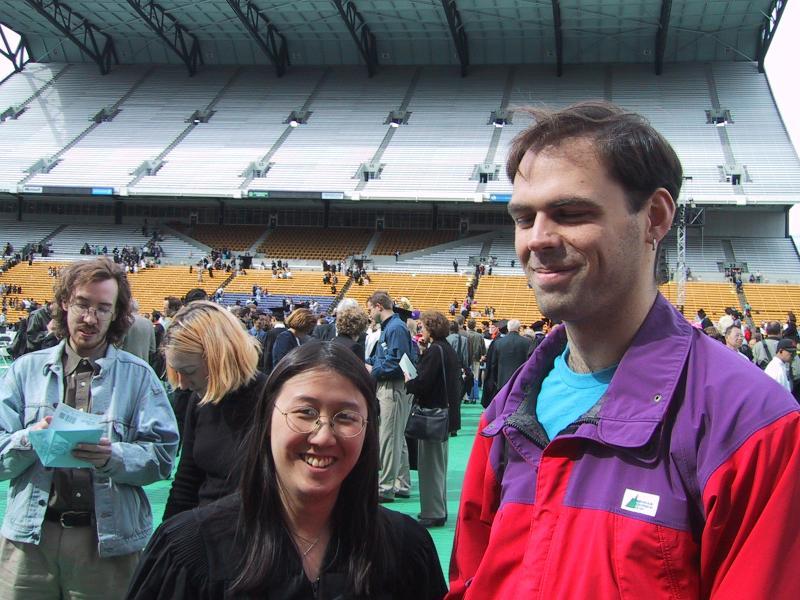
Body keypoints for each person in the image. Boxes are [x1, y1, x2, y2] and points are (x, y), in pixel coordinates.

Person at [447, 101, 800, 599]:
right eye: (524, 217)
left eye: (570, 213)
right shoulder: (504, 416)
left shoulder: (752, 425)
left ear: (654, 217)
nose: (537, 239)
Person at [127, 342, 447, 599]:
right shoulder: (188, 551)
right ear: (267, 419)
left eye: (346, 417)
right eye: (305, 412)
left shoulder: (405, 550)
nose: (323, 436)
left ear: (368, 430)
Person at [0, 257, 179, 598]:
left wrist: (113, 456)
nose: (90, 318)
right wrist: (29, 439)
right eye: (82, 304)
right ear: (64, 303)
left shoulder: (139, 376)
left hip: (107, 545)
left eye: (103, 308)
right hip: (29, 542)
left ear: (116, 314)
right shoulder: (24, 371)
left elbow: (162, 458)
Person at [161, 301, 267, 519]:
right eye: (177, 372)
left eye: (189, 371)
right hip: (203, 530)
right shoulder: (199, 400)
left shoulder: (273, 401)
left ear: (220, 359)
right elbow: (186, 482)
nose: (182, 384)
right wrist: (167, 534)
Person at [404, 311, 461, 527]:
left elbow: (422, 384)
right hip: (444, 415)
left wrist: (408, 380)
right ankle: (437, 509)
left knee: (430, 467)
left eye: (423, 327)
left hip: (432, 414)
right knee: (437, 466)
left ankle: (433, 512)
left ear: (431, 328)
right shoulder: (445, 348)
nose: (421, 330)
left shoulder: (435, 351)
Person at [365, 291, 416, 502]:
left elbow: (398, 362)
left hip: (392, 387)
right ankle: (401, 483)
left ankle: (385, 487)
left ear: (379, 306)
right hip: (392, 386)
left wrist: (373, 370)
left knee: (389, 437)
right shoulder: (392, 327)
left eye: (370, 309)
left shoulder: (395, 328)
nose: (369, 313)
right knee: (397, 436)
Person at [487, 318, 534, 392]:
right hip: (520, 379)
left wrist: (495, 379)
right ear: (519, 328)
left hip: (502, 380)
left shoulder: (498, 343)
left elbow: (494, 364)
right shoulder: (527, 343)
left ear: (508, 328)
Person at [120, 299, 157, 364]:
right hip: (144, 364)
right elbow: (152, 349)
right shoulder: (149, 323)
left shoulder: (125, 322)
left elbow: (118, 345)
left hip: (126, 364)